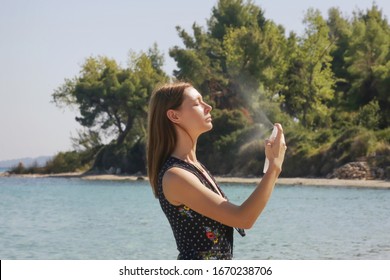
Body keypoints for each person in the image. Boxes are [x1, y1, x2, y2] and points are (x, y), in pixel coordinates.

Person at [147, 82, 286, 260]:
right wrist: (274, 168)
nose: (208, 107)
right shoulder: (175, 176)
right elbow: (243, 218)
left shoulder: (195, 167)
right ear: (174, 116)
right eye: (197, 103)